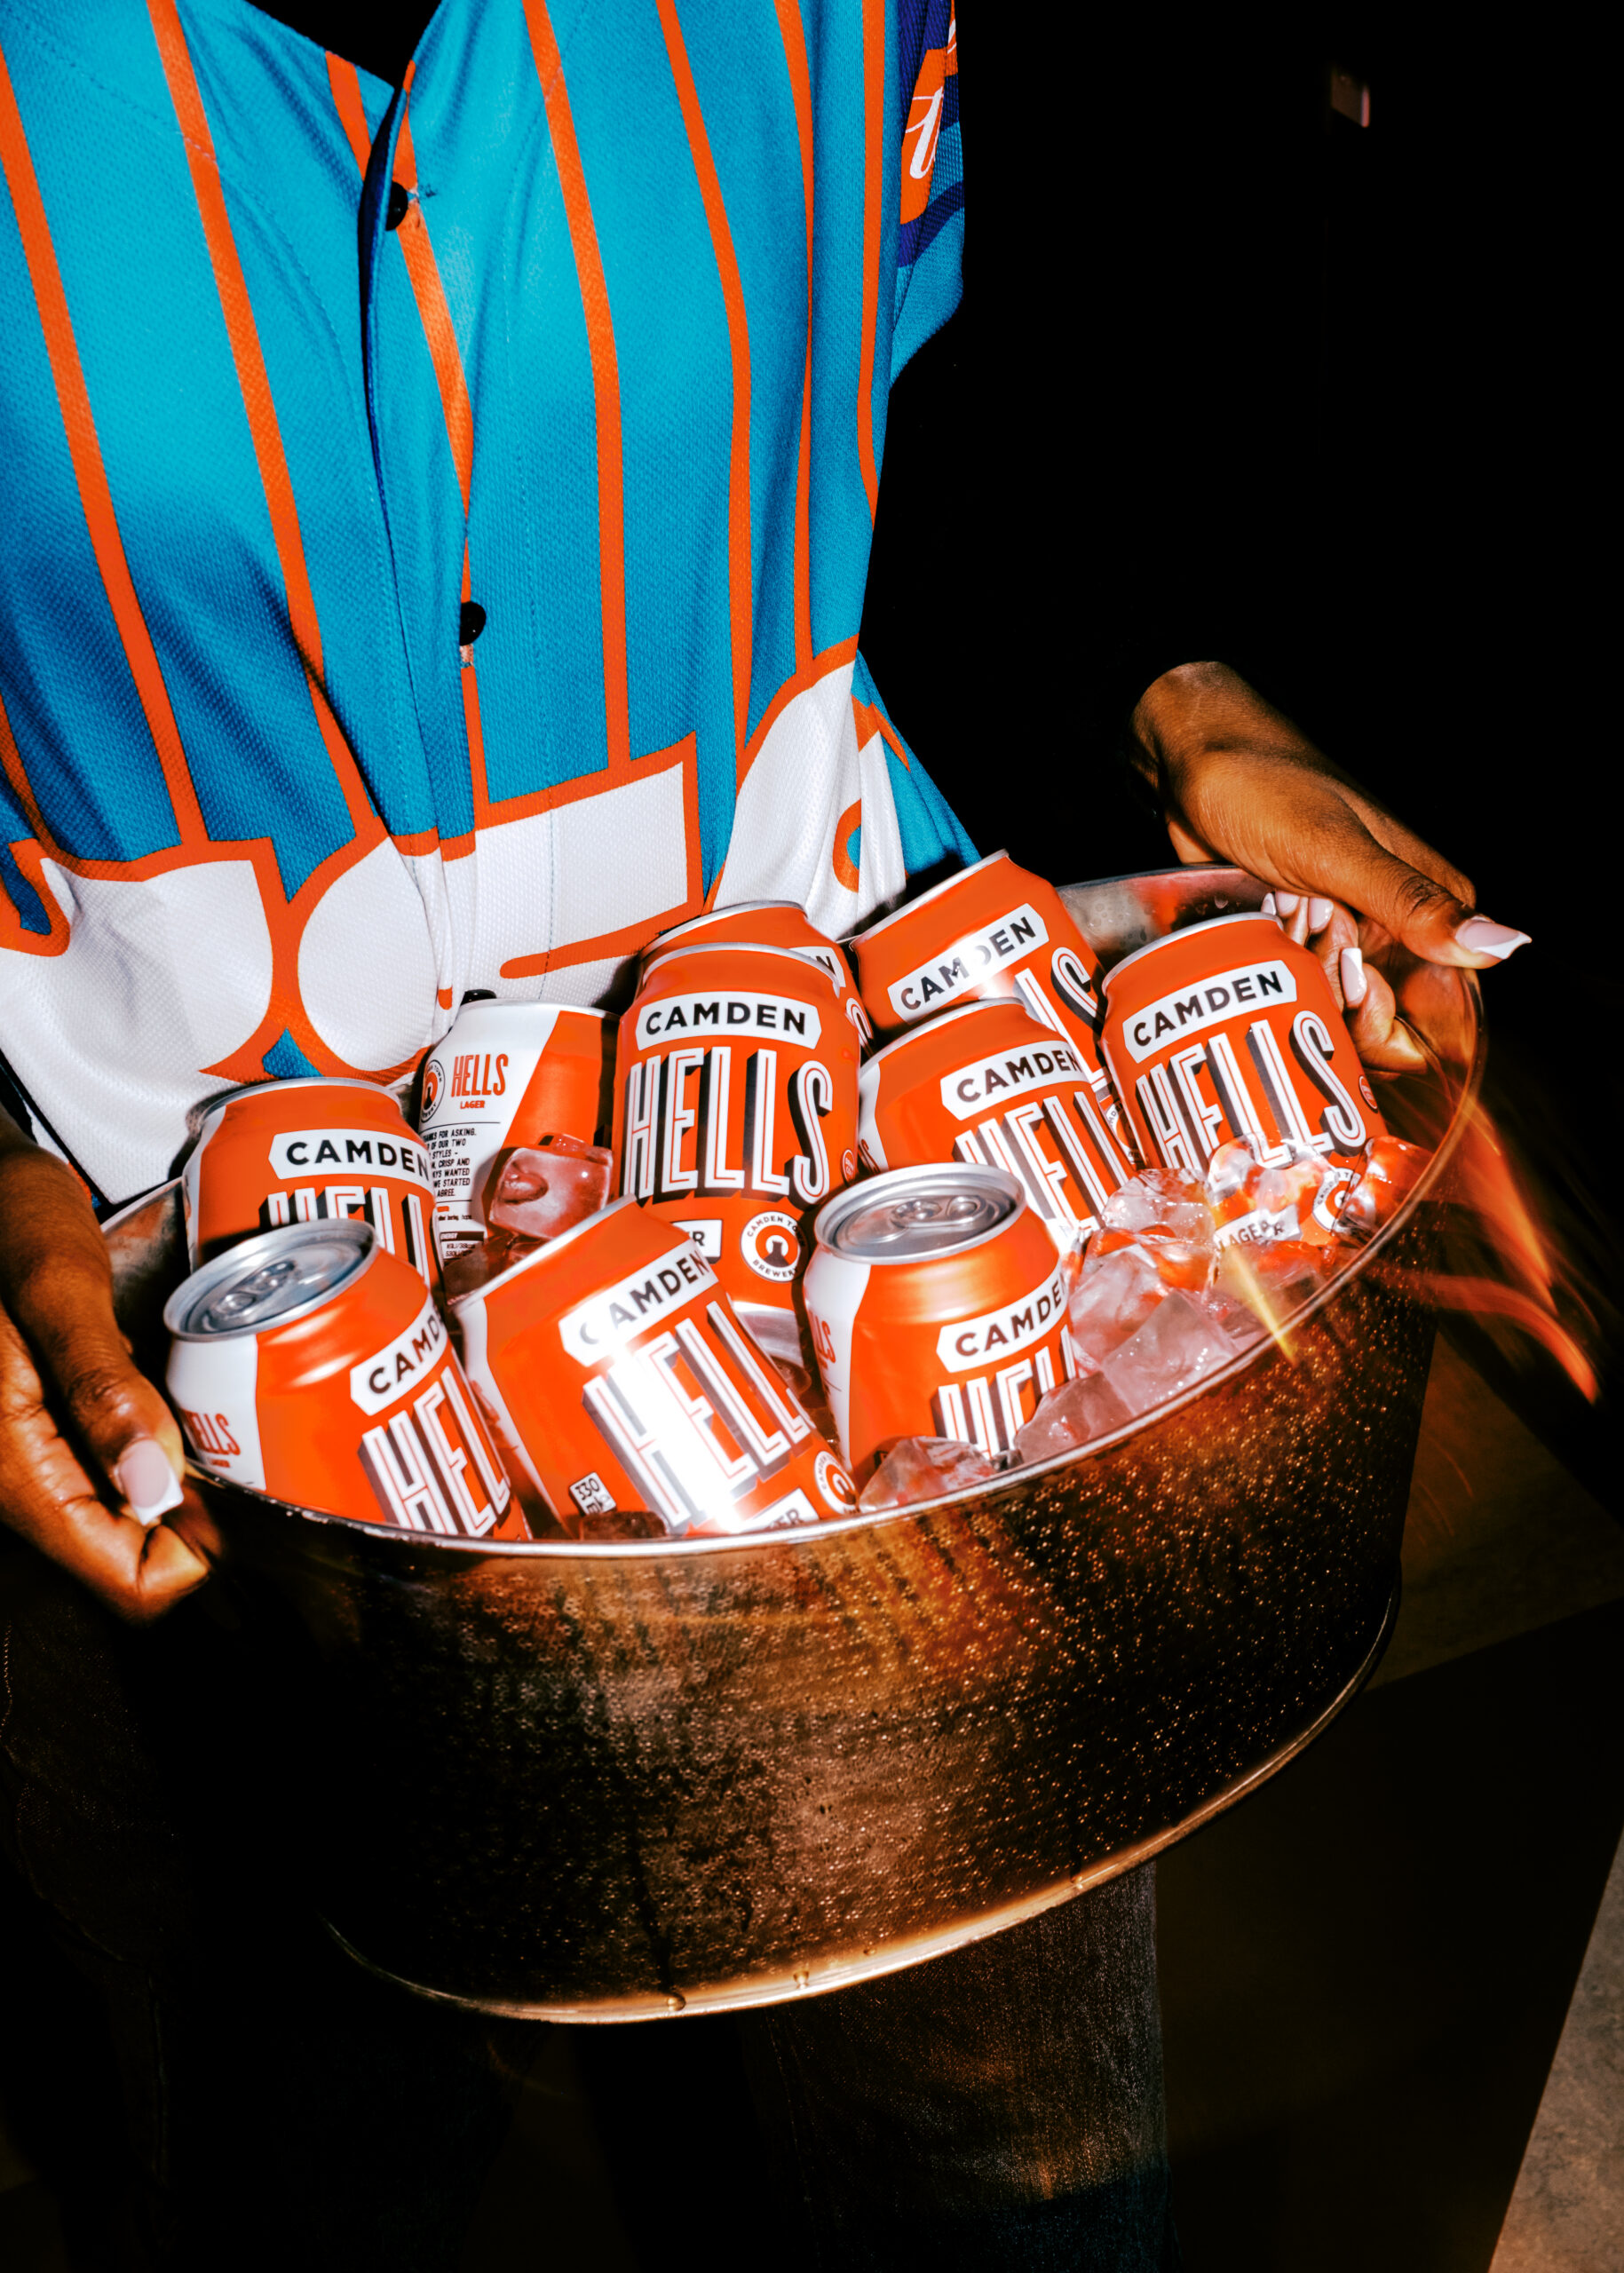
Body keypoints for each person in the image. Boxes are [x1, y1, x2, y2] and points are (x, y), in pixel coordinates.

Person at [0, 2, 1528, 2266]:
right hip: (156, 1334)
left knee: (994, 2175)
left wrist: (1170, 696)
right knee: (283, 2141)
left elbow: (937, 392)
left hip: (857, 1273)